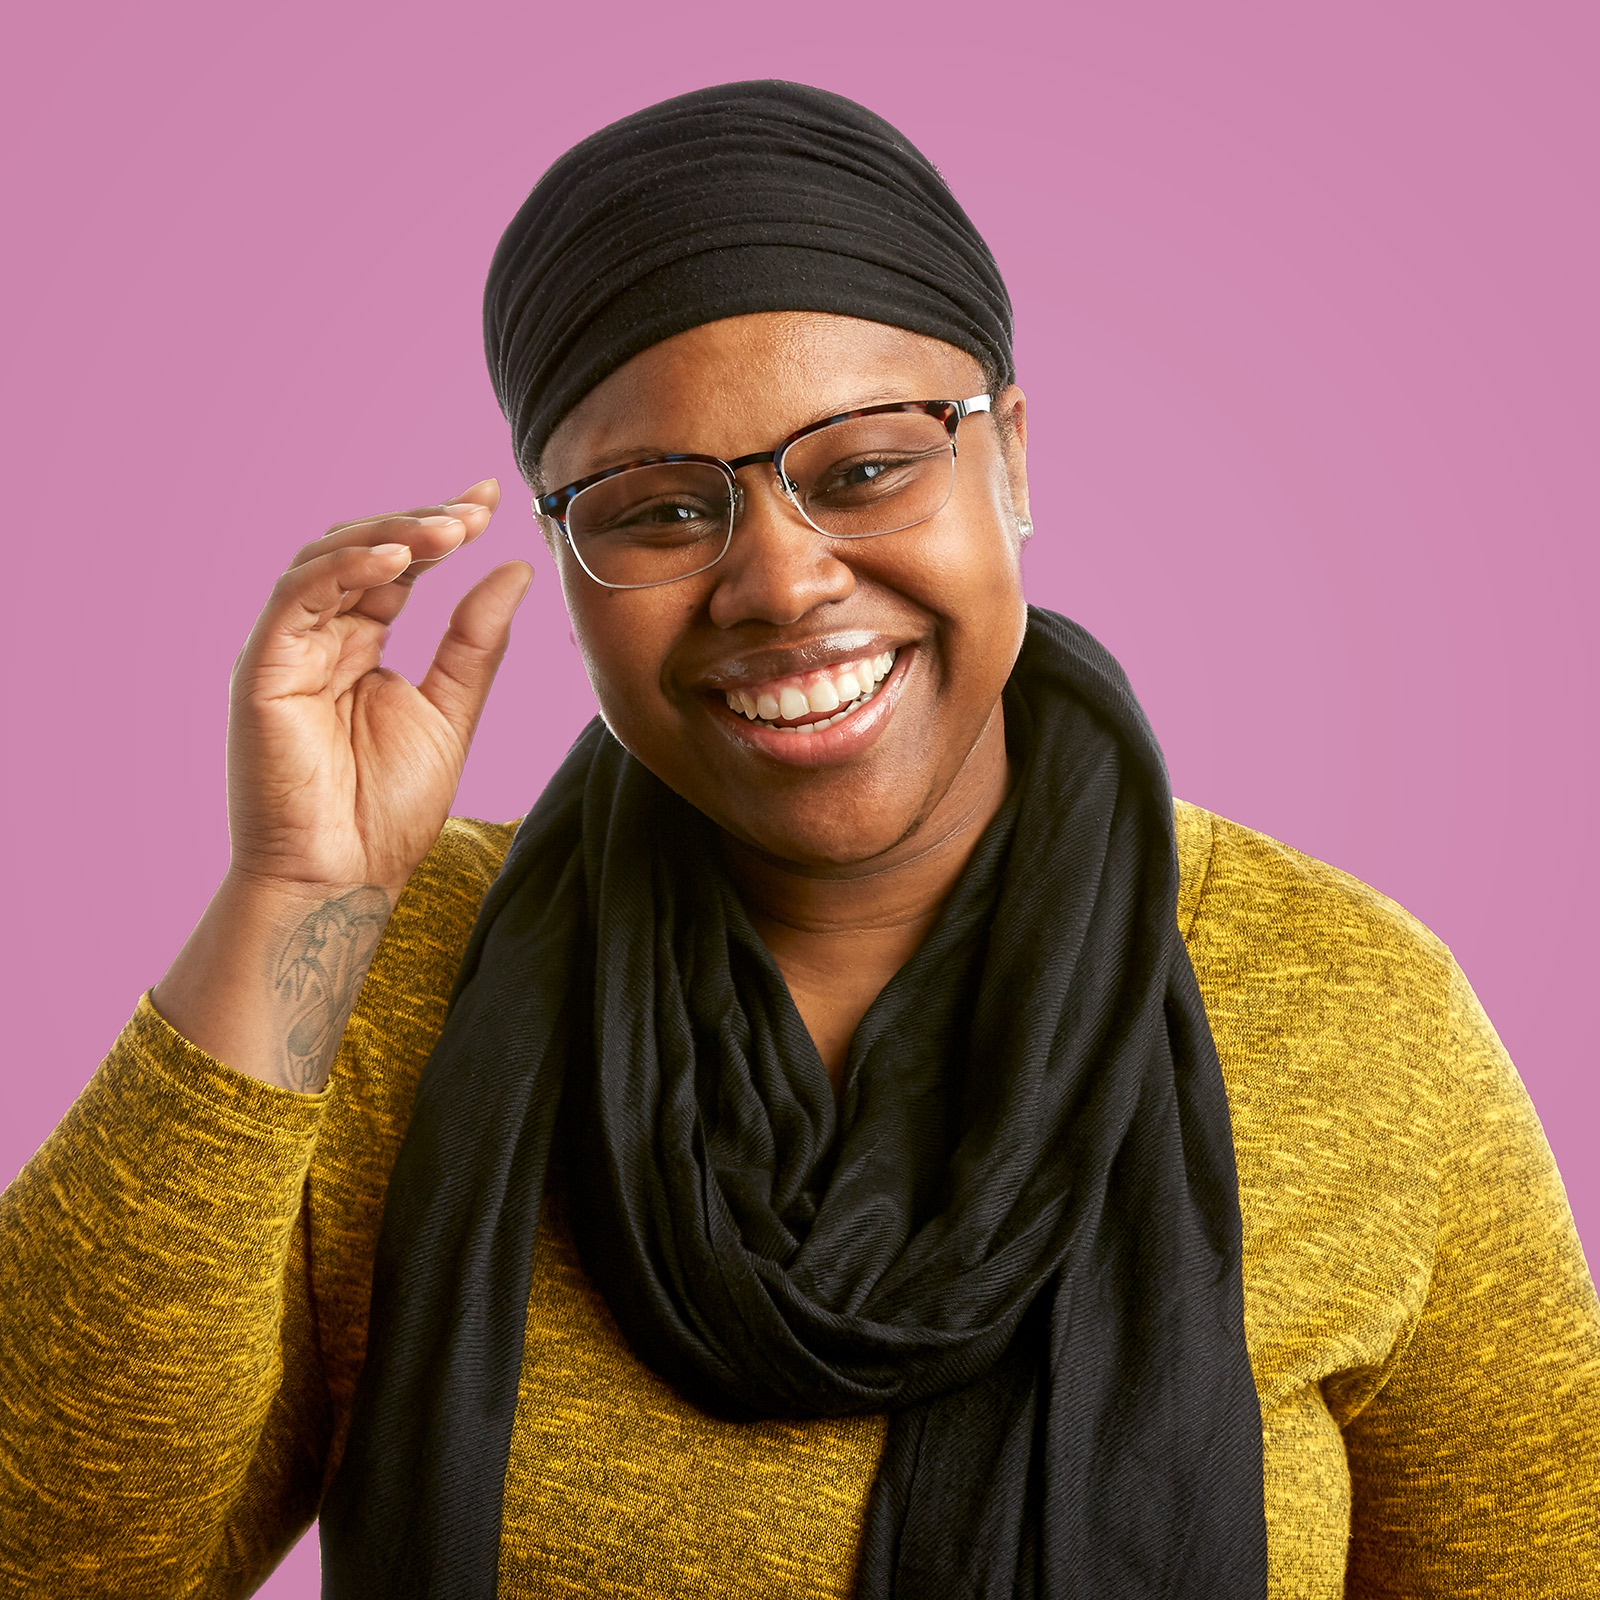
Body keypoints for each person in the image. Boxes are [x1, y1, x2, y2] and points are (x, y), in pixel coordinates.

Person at [1, 80, 1596, 1600]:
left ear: (1014, 458)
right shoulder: (384, 977)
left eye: (870, 469)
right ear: (565, 559)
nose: (779, 581)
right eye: (659, 508)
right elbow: (54, 1559)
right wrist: (299, 905)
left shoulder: (1358, 1014)